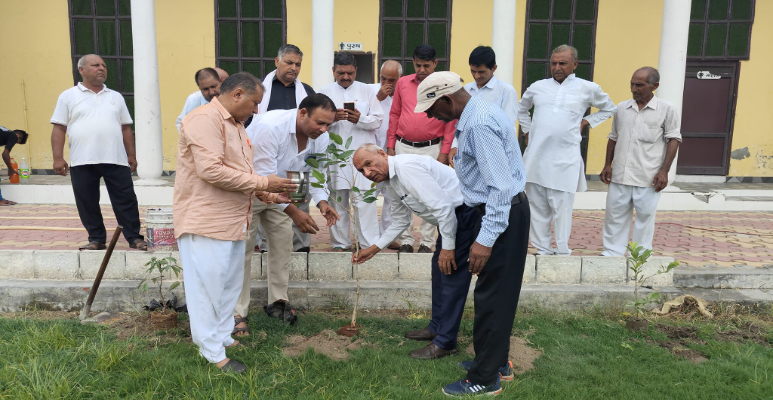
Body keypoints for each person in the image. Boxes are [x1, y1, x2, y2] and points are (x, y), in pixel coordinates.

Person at [174, 72, 295, 373]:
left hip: (233, 220)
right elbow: (211, 171)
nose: (256, 110)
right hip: (206, 220)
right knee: (208, 289)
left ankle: (222, 336)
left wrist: (269, 194)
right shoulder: (205, 119)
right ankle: (211, 352)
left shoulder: (237, 125)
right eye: (254, 103)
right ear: (238, 94)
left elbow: (241, 174)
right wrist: (265, 182)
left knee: (228, 286)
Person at [419, 71, 530, 396]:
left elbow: (501, 187)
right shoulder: (479, 110)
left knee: (492, 297)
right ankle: (496, 362)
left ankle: (484, 378)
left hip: (501, 214)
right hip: (502, 211)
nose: (431, 117)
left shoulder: (478, 124)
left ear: (446, 99)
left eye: (431, 109)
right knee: (496, 294)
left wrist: (485, 239)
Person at [352, 144, 495, 365]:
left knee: (451, 276)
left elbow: (444, 207)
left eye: (368, 164)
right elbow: (401, 220)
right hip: (450, 219)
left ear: (382, 154)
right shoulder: (389, 180)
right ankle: (436, 328)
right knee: (439, 271)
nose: (367, 173)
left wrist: (448, 248)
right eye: (361, 170)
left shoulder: (407, 168)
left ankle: (446, 342)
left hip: (464, 214)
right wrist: (374, 248)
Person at [238, 94, 340, 330]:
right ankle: (237, 312)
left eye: (328, 125)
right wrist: (294, 212)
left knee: (282, 246)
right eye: (320, 123)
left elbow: (314, 172)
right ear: (303, 113)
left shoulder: (321, 137)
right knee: (242, 251)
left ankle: (277, 302)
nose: (324, 129)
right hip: (251, 190)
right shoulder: (271, 127)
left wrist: (321, 202)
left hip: (284, 192)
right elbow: (263, 176)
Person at [517, 44, 616, 256]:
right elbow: (521, 109)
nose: (557, 67)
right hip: (536, 158)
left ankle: (562, 251)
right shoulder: (538, 87)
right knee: (537, 206)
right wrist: (527, 130)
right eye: (553, 63)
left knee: (561, 208)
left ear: (575, 64)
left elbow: (609, 108)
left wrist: (586, 122)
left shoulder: (587, 88)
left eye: (562, 63)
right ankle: (542, 250)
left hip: (565, 159)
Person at [50, 54, 147, 251]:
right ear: (81, 70)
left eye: (103, 65)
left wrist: (131, 155)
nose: (101, 68)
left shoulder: (116, 97)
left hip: (116, 158)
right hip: (82, 159)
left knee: (126, 199)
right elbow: (59, 128)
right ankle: (96, 238)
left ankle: (134, 237)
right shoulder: (68, 96)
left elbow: (125, 128)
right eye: (95, 65)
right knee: (87, 201)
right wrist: (58, 158)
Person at [601, 67, 681, 256]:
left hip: (648, 176)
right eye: (632, 84)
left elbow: (674, 139)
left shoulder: (667, 109)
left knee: (645, 218)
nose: (634, 89)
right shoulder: (622, 108)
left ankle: (639, 256)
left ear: (654, 86)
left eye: (639, 85)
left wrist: (664, 171)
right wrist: (607, 165)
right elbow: (613, 137)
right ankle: (612, 254)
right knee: (614, 216)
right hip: (620, 174)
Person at [386, 44, 456, 254]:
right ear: (413, 63)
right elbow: (395, 114)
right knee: (403, 192)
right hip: (403, 146)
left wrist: (444, 152)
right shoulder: (402, 83)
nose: (422, 70)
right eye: (418, 65)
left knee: (431, 194)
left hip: (432, 148)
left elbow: (450, 122)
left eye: (426, 65)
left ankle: (426, 242)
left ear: (435, 63)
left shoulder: (444, 85)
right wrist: (390, 146)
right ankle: (406, 240)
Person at [252, 44, 317, 254]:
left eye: (298, 64)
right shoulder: (260, 89)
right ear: (277, 61)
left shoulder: (306, 91)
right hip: (270, 154)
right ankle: (266, 248)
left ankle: (302, 248)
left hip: (297, 155)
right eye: (289, 62)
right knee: (267, 201)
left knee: (300, 202)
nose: (294, 68)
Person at [319, 52, 384, 252]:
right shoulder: (324, 93)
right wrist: (332, 119)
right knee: (338, 199)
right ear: (333, 71)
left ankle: (368, 244)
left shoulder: (367, 90)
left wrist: (360, 119)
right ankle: (340, 244)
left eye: (350, 73)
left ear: (356, 70)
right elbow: (316, 123)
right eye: (341, 73)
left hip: (364, 156)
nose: (346, 77)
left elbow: (378, 120)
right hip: (336, 154)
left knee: (365, 200)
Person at [368, 60, 403, 250]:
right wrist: (378, 98)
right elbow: (360, 114)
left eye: (392, 80)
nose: (387, 84)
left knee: (392, 197)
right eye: (383, 79)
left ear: (400, 78)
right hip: (370, 154)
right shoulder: (370, 91)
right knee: (369, 196)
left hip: (394, 152)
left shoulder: (404, 93)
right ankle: (370, 238)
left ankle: (388, 237)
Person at [464, 46, 519, 127]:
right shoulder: (466, 89)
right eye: (473, 71)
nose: (477, 76)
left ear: (494, 68)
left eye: (481, 72)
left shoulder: (506, 91)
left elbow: (508, 126)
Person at [0, 126, 29, 206]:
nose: (13, 143)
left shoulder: (4, 132)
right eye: (17, 142)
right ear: (19, 136)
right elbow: (5, 154)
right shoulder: (13, 135)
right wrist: (10, 169)